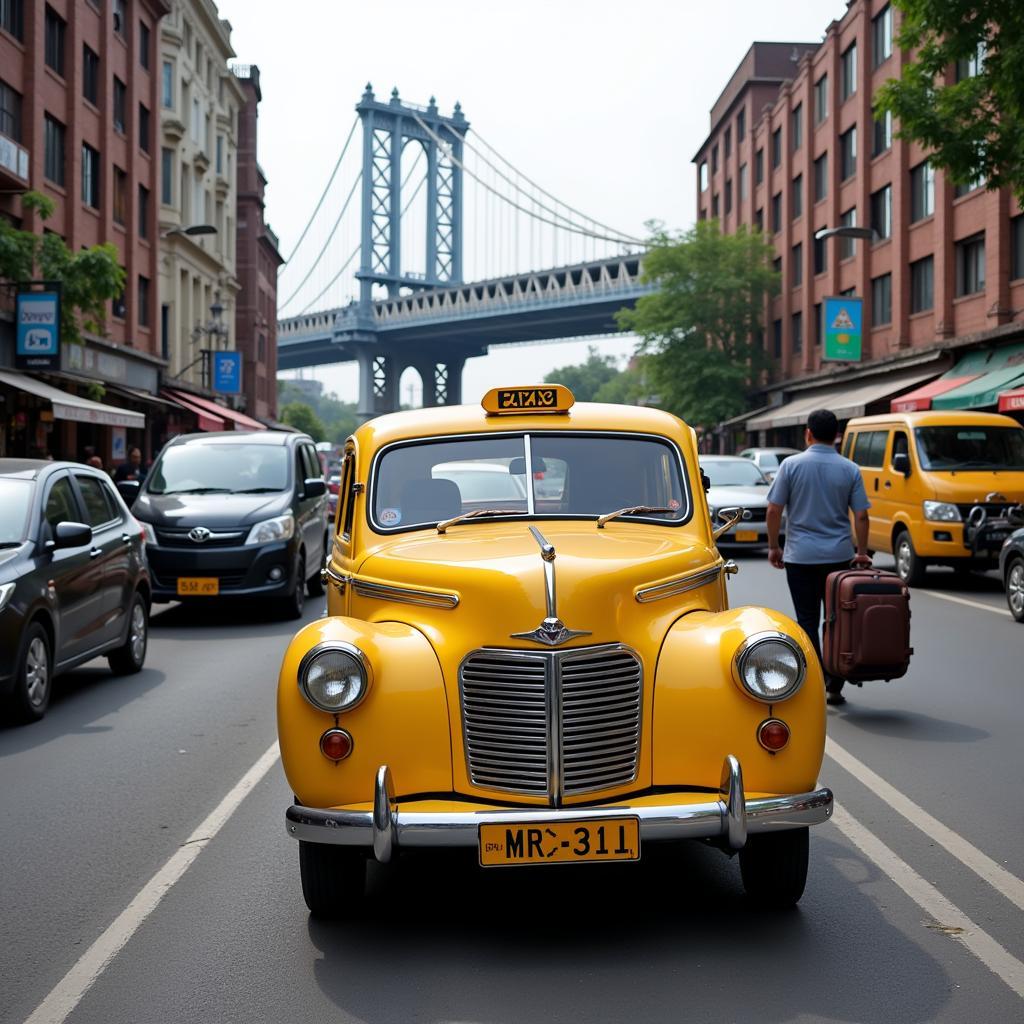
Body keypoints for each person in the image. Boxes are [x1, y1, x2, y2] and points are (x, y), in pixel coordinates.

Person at [765, 409, 871, 706]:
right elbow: (861, 515)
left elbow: (774, 510)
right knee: (836, 620)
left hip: (800, 558)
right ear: (836, 435)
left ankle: (816, 679)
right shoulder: (850, 468)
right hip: (839, 558)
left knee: (807, 620)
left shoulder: (791, 465)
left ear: (808, 433)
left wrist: (774, 546)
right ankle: (835, 681)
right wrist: (861, 552)